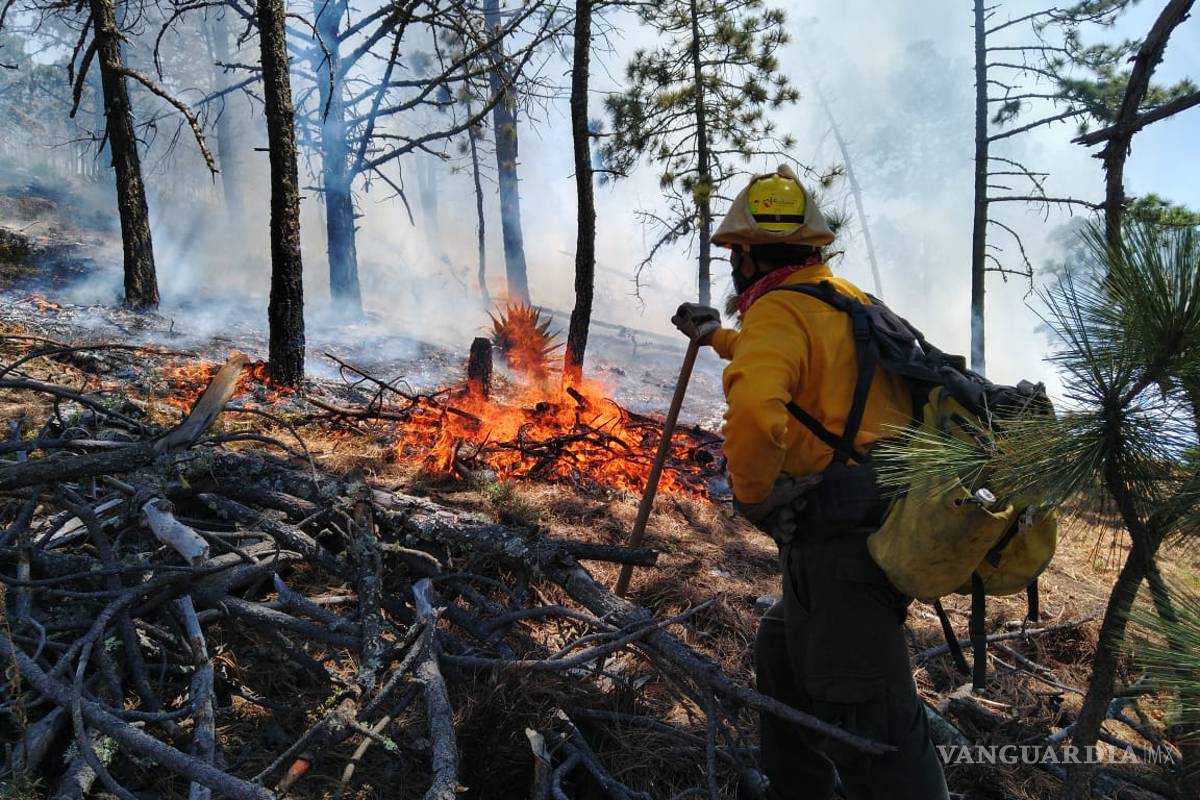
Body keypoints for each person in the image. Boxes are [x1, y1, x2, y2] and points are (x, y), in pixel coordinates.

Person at [671, 165, 949, 800]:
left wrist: (752, 498)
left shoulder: (778, 312)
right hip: (883, 518)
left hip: (842, 547)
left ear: (748, 254)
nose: (734, 268)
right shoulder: (843, 299)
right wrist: (715, 337)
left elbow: (755, 413)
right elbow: (798, 361)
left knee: (871, 720)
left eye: (735, 255)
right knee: (782, 657)